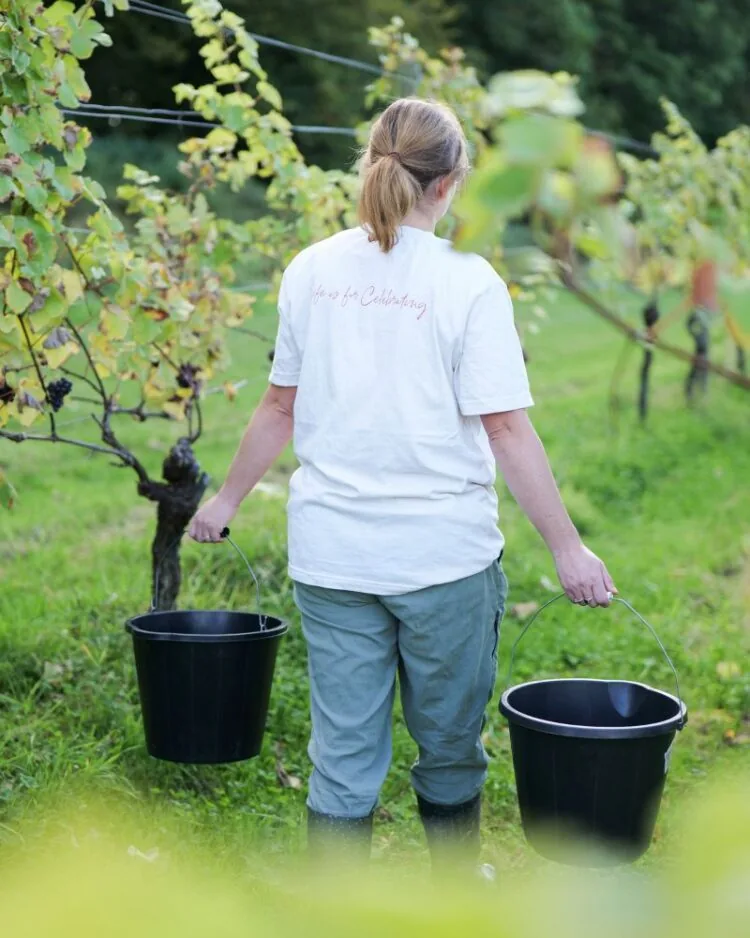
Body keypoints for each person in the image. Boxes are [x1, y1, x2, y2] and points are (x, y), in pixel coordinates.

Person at [188, 97, 616, 873]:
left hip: (332, 558)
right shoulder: (470, 282)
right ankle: (451, 900)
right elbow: (507, 430)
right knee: (449, 741)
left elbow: (278, 406)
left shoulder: (311, 269)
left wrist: (225, 500)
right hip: (443, 563)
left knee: (343, 748)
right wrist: (568, 548)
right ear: (451, 183)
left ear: (373, 166)